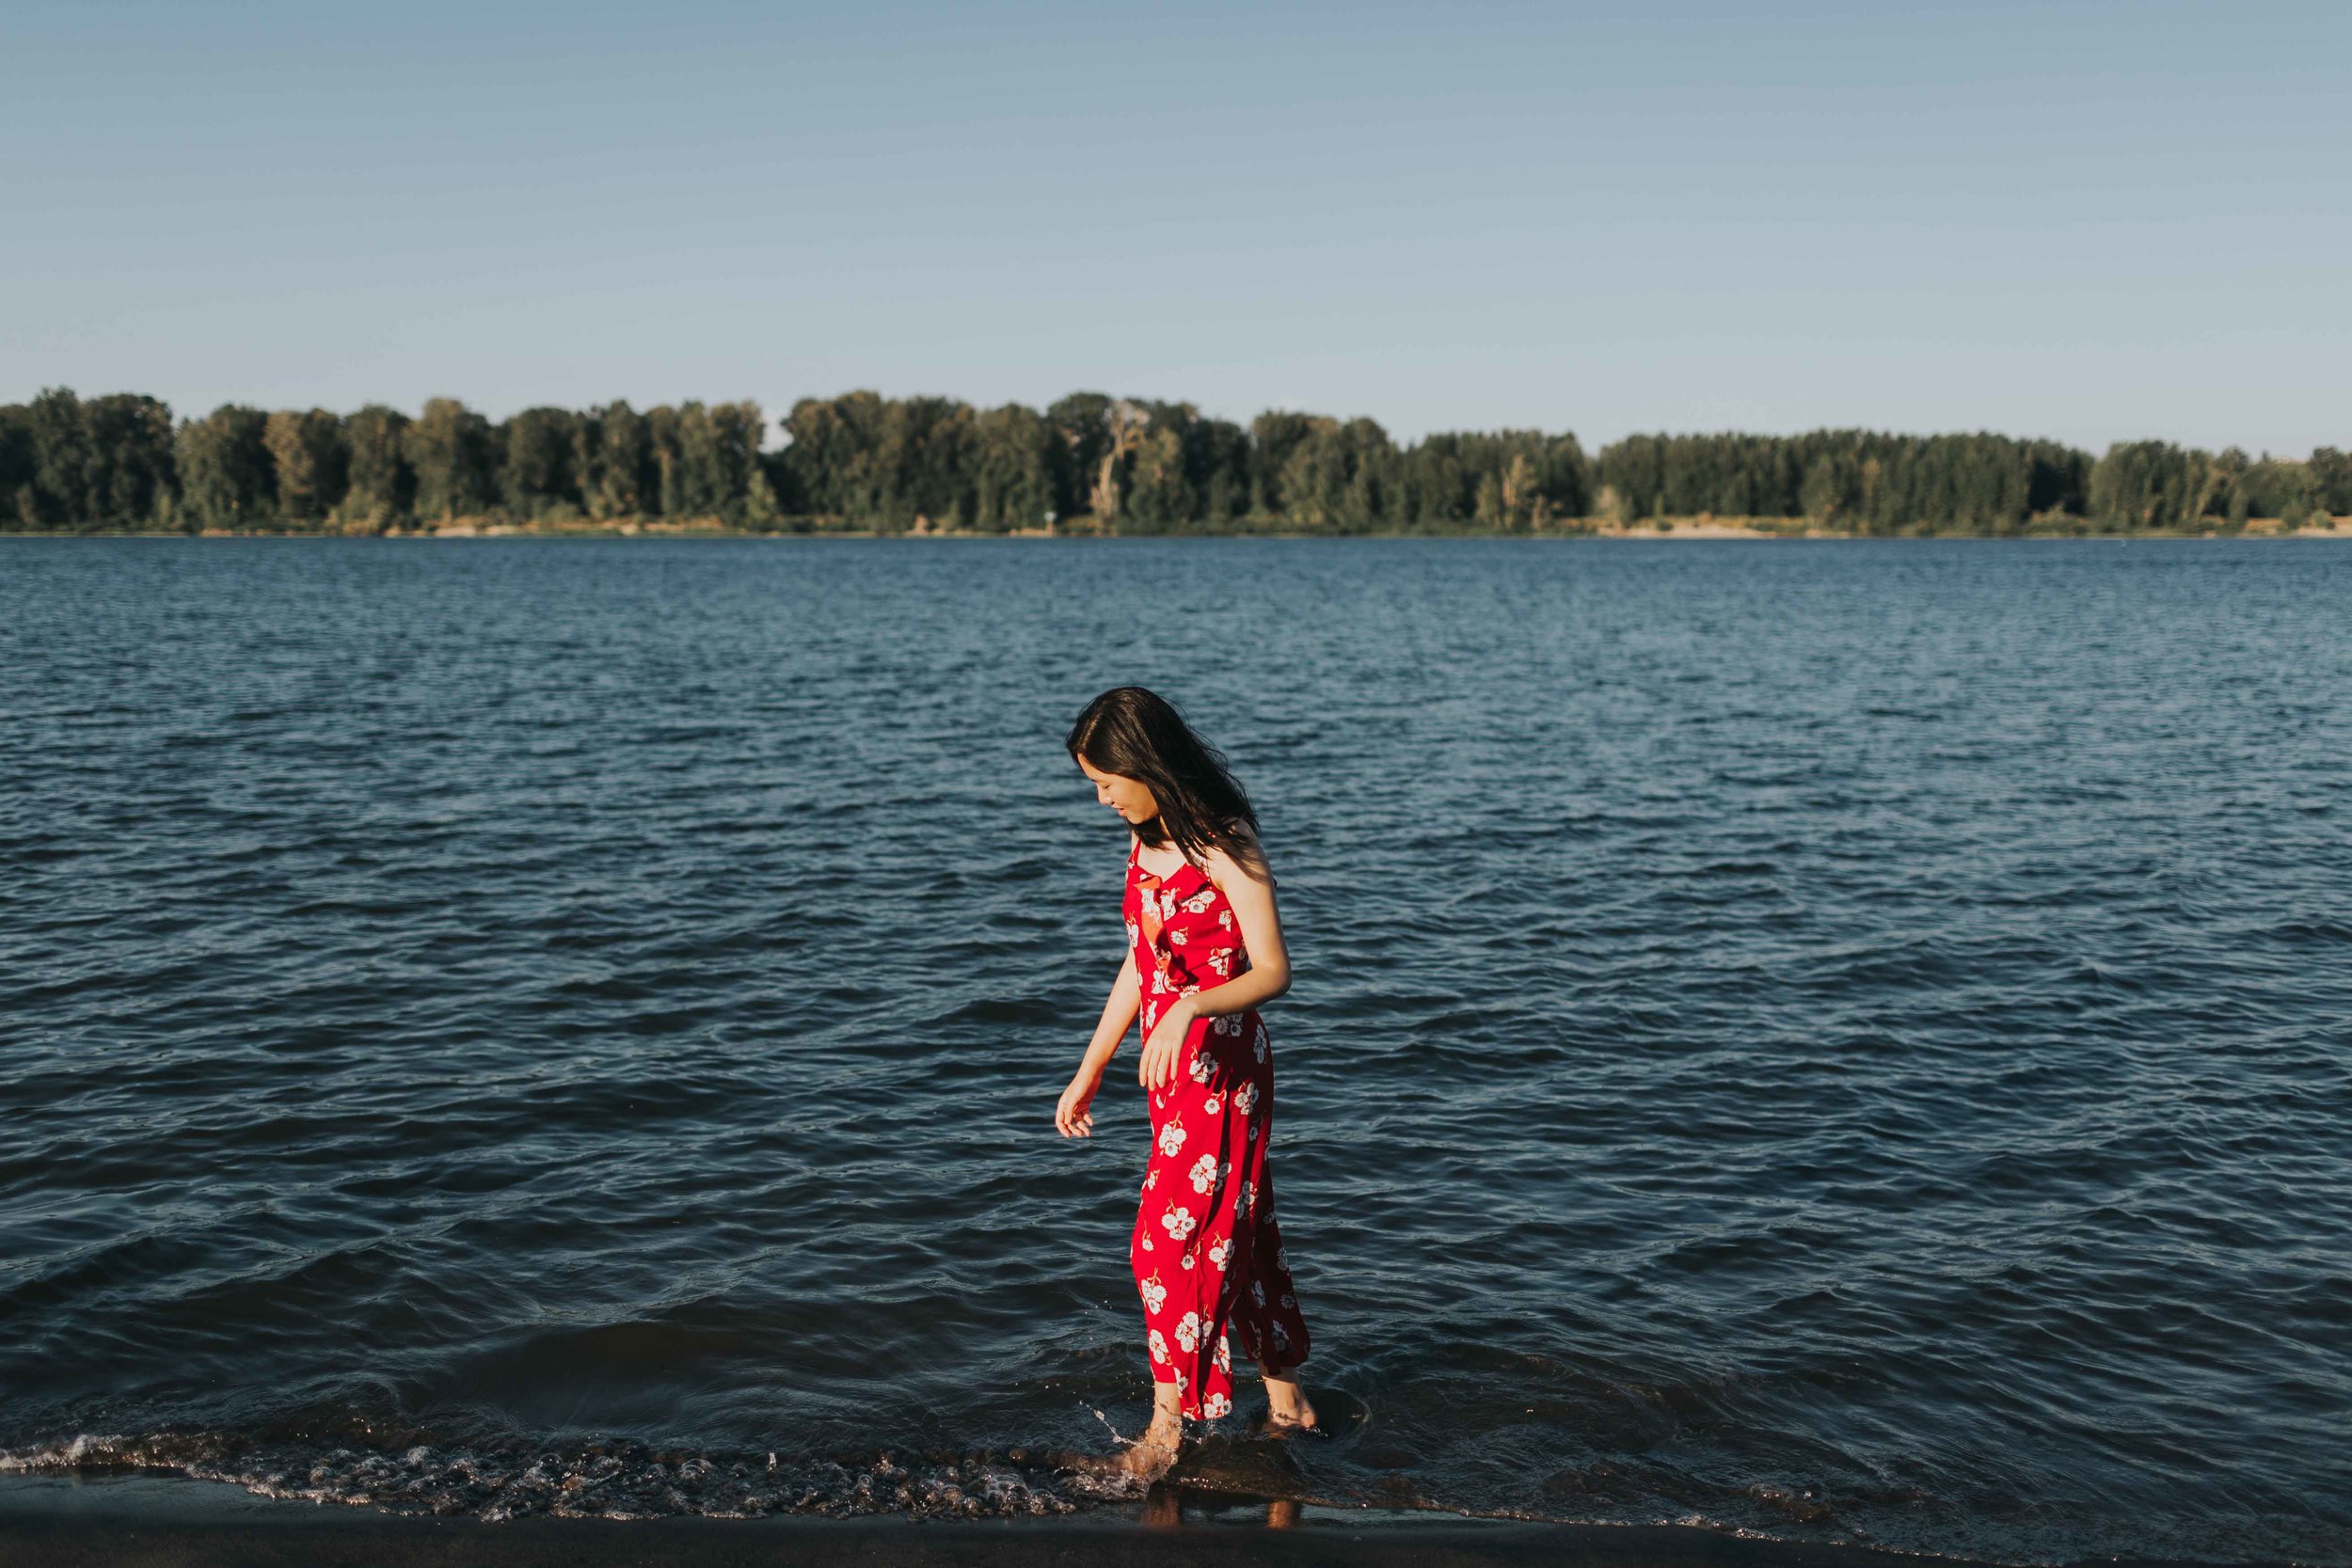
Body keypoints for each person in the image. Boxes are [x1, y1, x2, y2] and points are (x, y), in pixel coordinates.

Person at [1057, 687, 1317, 1481]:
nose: (1100, 796)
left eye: (1106, 780)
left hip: (1225, 1071)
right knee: (1243, 1235)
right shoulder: (1146, 843)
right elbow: (1143, 959)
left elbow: (1274, 969)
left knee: (1164, 1246)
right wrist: (1092, 1064)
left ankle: (1171, 1428)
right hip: (1172, 1078)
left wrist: (1193, 1008)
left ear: (1146, 764)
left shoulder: (1223, 843)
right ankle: (1287, 1403)